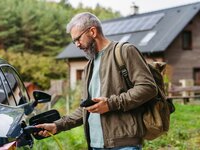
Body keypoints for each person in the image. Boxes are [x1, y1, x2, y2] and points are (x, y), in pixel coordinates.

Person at [36, 12, 158, 150]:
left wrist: (111, 104)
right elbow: (86, 109)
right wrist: (57, 125)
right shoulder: (89, 66)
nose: (76, 45)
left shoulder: (125, 51)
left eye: (78, 39)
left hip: (123, 144)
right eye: (73, 41)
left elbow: (148, 87)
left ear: (92, 31)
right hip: (95, 145)